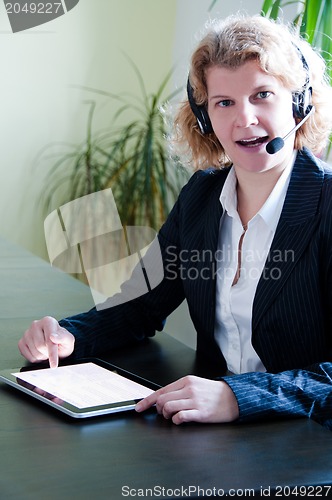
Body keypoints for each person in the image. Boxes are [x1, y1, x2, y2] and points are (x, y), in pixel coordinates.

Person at [19, 14, 332, 429]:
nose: (245, 119)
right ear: (204, 118)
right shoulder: (201, 197)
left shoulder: (326, 203)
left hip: (307, 442)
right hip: (215, 436)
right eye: (224, 103)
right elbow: (139, 306)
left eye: (262, 95)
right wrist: (67, 335)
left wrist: (240, 396)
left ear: (299, 102)